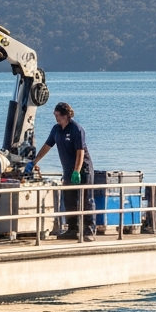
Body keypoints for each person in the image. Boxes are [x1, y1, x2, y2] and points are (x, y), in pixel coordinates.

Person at [25, 102, 95, 241]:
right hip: (68, 170)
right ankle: (72, 228)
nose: (55, 118)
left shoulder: (76, 129)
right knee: (69, 199)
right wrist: (34, 161)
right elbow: (47, 146)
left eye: (57, 115)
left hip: (82, 169)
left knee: (86, 199)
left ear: (65, 115)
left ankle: (89, 230)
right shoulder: (56, 130)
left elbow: (80, 152)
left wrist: (77, 171)